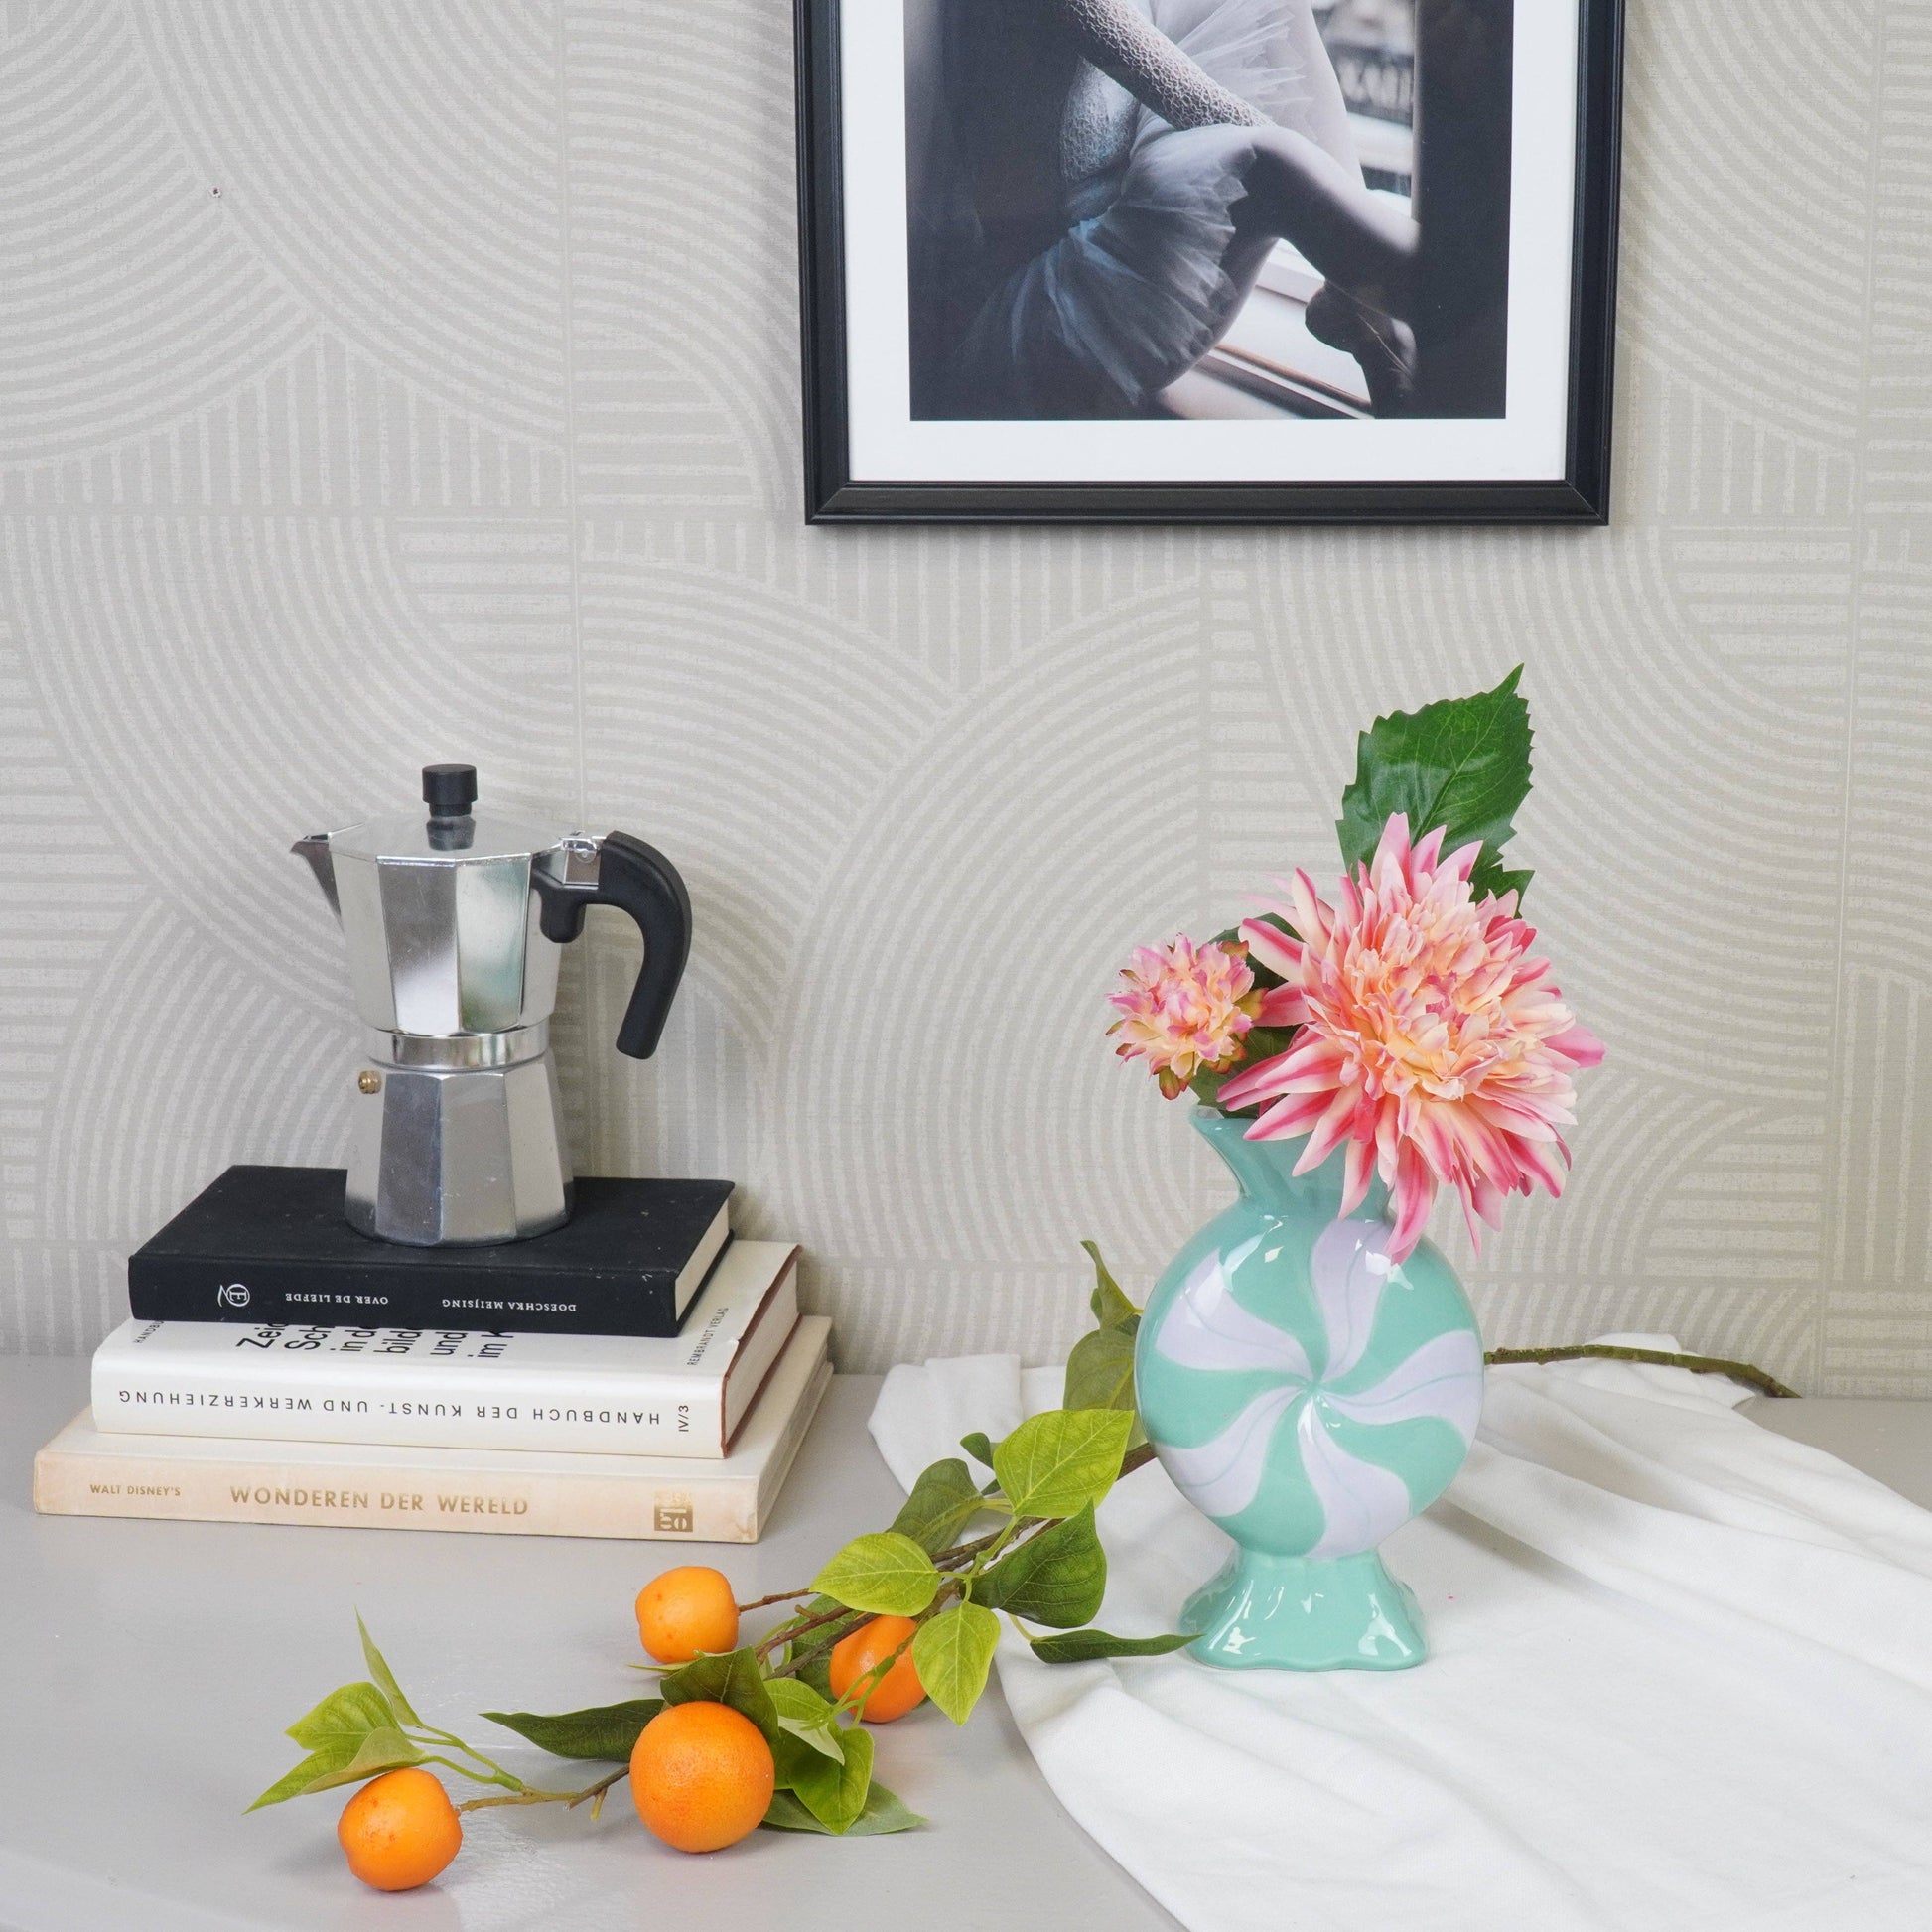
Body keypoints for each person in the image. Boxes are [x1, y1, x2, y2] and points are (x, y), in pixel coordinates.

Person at [906, 0, 1419, 420]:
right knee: (1270, 163)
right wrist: (1331, 221)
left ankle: (1366, 311)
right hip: (1040, 324)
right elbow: (1205, 108)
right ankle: (1418, 298)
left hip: (1103, 256)